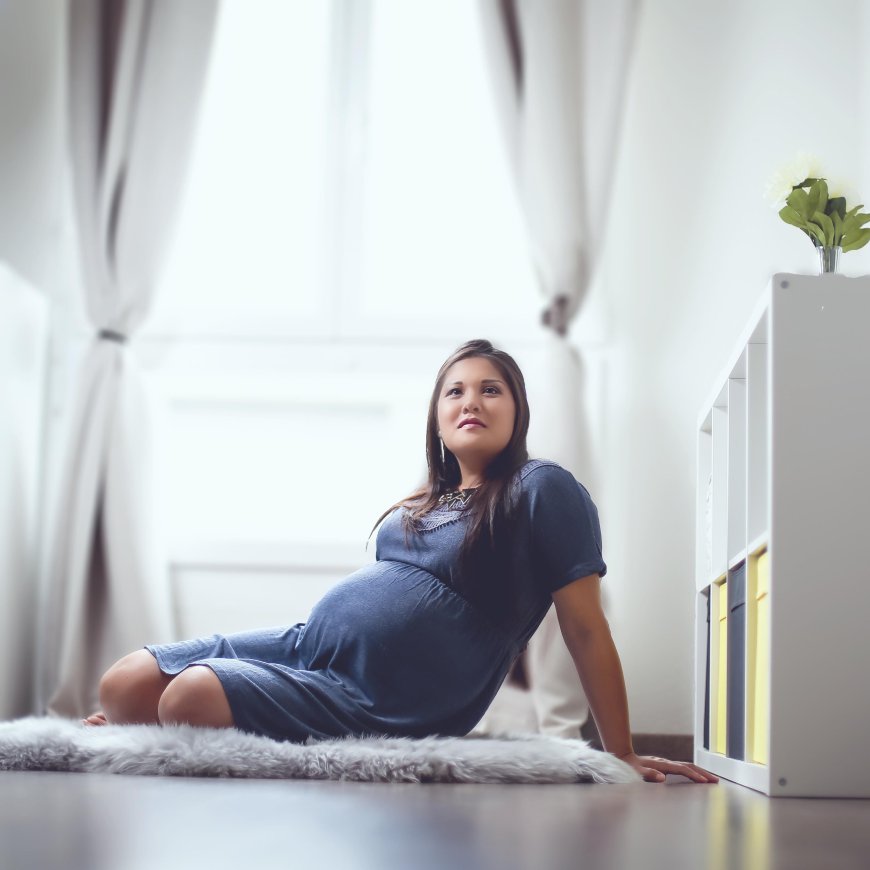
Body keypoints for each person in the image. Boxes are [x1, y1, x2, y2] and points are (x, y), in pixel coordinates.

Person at [84, 339, 717, 785]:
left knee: (189, 695)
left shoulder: (540, 488)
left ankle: (196, 717)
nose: (473, 400)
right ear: (438, 419)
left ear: (517, 410)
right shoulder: (425, 500)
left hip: (390, 698)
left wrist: (623, 752)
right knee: (124, 684)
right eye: (456, 391)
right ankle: (170, 718)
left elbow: (584, 625)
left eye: (491, 389)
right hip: (312, 647)